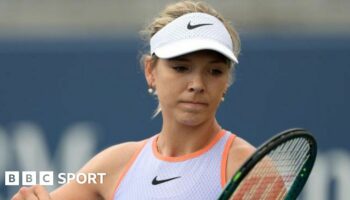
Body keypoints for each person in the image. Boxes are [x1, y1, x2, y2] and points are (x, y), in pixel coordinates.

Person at [11, 0, 255, 199]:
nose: (198, 85)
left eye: (214, 71)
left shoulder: (249, 168)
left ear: (227, 81)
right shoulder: (114, 165)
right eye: (181, 68)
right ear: (151, 71)